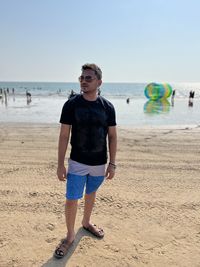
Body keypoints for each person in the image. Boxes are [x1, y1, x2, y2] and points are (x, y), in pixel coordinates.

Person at [54, 63, 117, 259]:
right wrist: (60, 163)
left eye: (88, 78)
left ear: (99, 82)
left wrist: (112, 163)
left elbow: (113, 137)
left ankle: (86, 222)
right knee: (72, 198)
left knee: (91, 193)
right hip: (77, 162)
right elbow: (64, 135)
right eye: (81, 77)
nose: (83, 81)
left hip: (99, 162)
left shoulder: (108, 107)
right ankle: (70, 236)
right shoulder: (71, 104)